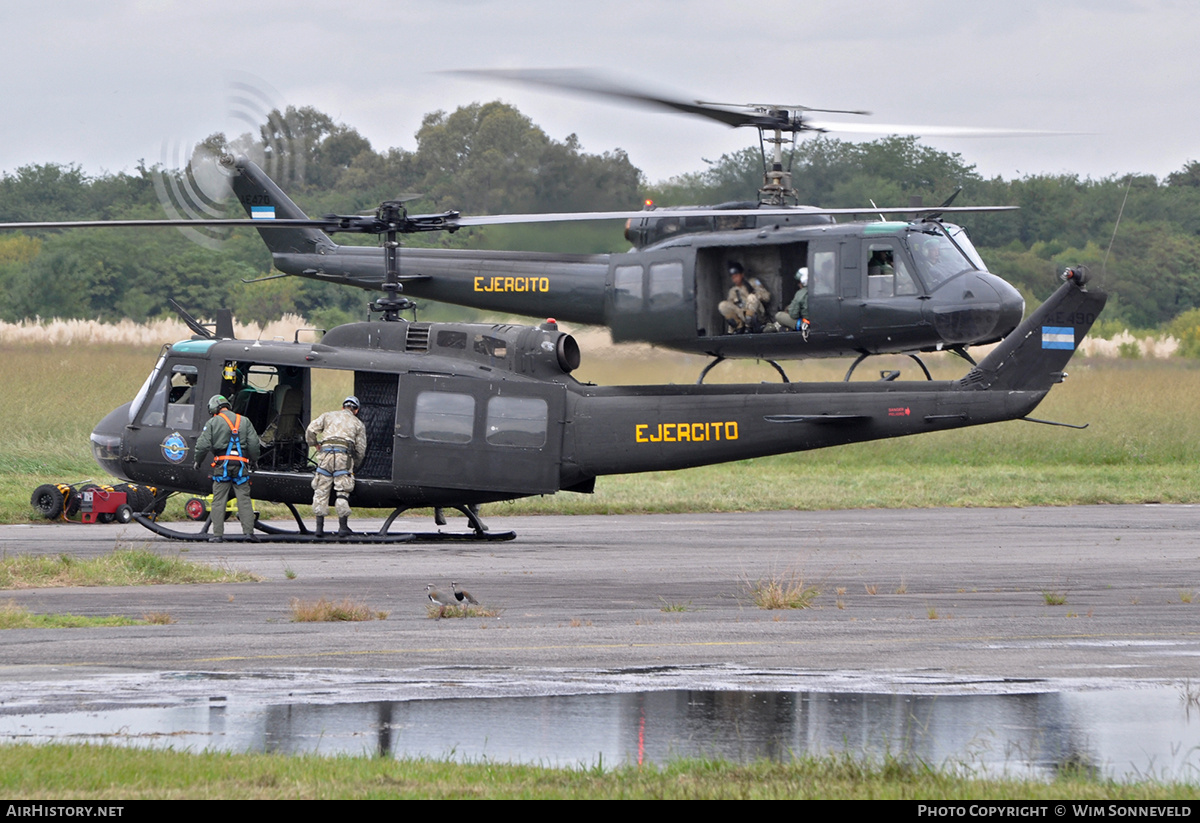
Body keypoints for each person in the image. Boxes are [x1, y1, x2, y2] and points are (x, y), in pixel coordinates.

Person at [193, 394, 260, 543]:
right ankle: (249, 533)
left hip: (221, 466)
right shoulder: (245, 421)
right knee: (244, 499)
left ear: (214, 408)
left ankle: (217, 535)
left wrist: (198, 461)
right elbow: (254, 444)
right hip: (241, 466)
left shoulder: (213, 422)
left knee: (218, 500)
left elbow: (202, 446)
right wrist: (254, 461)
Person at [306, 395, 368, 537]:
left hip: (325, 455)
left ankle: (319, 529)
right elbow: (360, 449)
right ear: (356, 410)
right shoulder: (358, 424)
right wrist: (354, 464)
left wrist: (314, 444)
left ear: (343, 407)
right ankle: (343, 527)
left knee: (321, 490)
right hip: (343, 457)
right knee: (343, 489)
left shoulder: (327, 416)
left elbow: (311, 429)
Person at [717, 261, 770, 334]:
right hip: (742, 314)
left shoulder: (753, 282)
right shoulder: (733, 291)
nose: (734, 279)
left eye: (736, 276)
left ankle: (749, 327)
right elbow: (731, 308)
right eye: (732, 277)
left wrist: (755, 295)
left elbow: (767, 297)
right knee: (723, 305)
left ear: (742, 274)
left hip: (757, 315)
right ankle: (739, 327)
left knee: (751, 297)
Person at [774, 267, 811, 339]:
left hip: (806, 323)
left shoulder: (801, 293)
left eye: (799, 282)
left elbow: (794, 314)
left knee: (779, 315)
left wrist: (788, 309)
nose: (798, 284)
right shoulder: (823, 289)